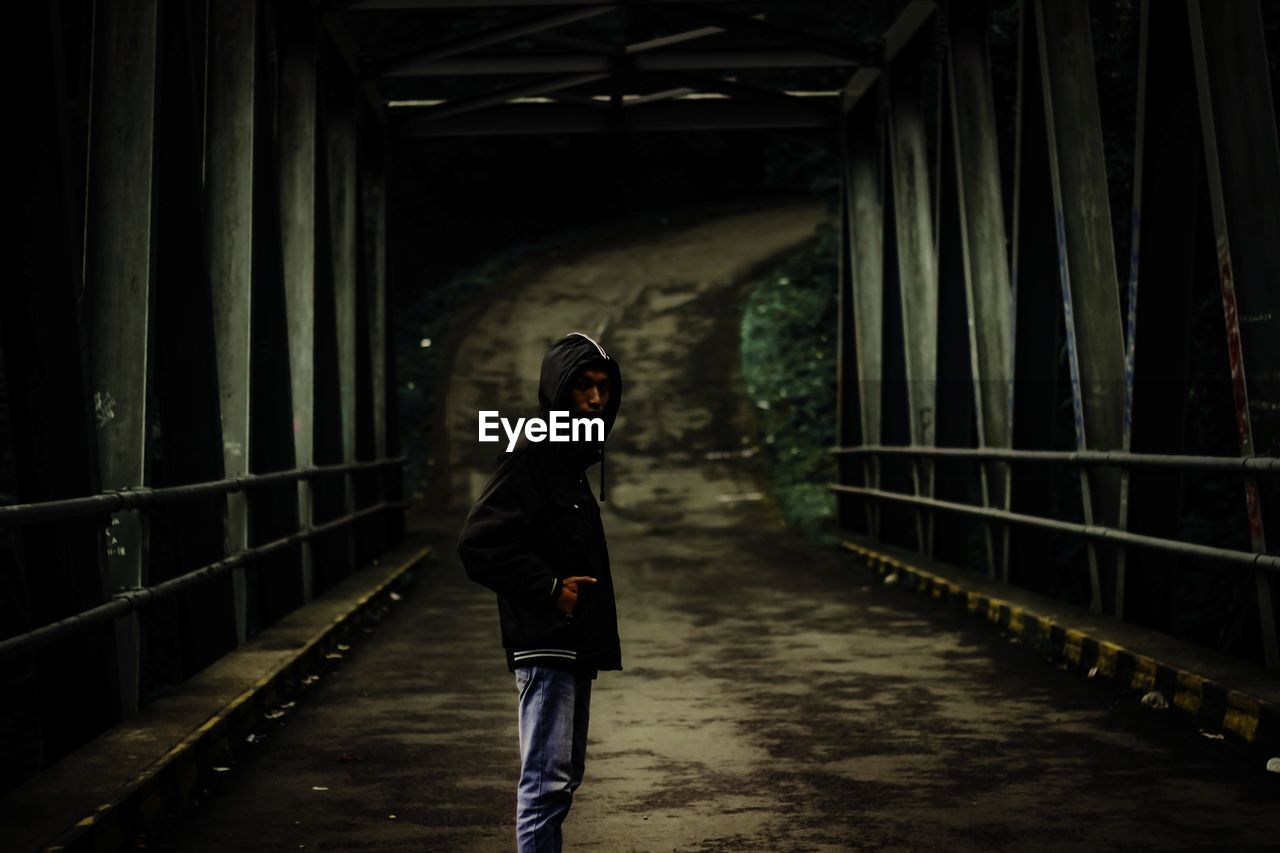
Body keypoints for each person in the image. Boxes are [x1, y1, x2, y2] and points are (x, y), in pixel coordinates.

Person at [457, 331, 623, 853]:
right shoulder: (533, 453)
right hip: (546, 640)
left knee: (561, 779)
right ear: (558, 392)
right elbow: (479, 542)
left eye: (603, 389)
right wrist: (551, 589)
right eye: (583, 388)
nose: (595, 399)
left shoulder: (569, 461)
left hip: (569, 644)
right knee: (545, 784)